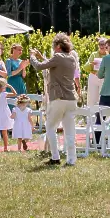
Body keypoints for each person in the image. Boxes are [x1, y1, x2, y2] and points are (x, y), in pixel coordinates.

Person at [29, 34, 80, 167]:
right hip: (71, 99)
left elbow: (40, 67)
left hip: (58, 98)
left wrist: (33, 57)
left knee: (50, 127)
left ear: (57, 46)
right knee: (69, 131)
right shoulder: (71, 58)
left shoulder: (58, 57)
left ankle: (55, 157)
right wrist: (42, 57)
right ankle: (71, 160)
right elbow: (55, 66)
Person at [87, 37, 108, 108]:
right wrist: (91, 64)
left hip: (104, 78)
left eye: (103, 44)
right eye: (100, 44)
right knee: (91, 98)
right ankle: (90, 117)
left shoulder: (109, 55)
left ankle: (102, 117)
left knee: (102, 99)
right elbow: (85, 67)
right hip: (94, 76)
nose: (101, 46)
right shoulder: (93, 54)